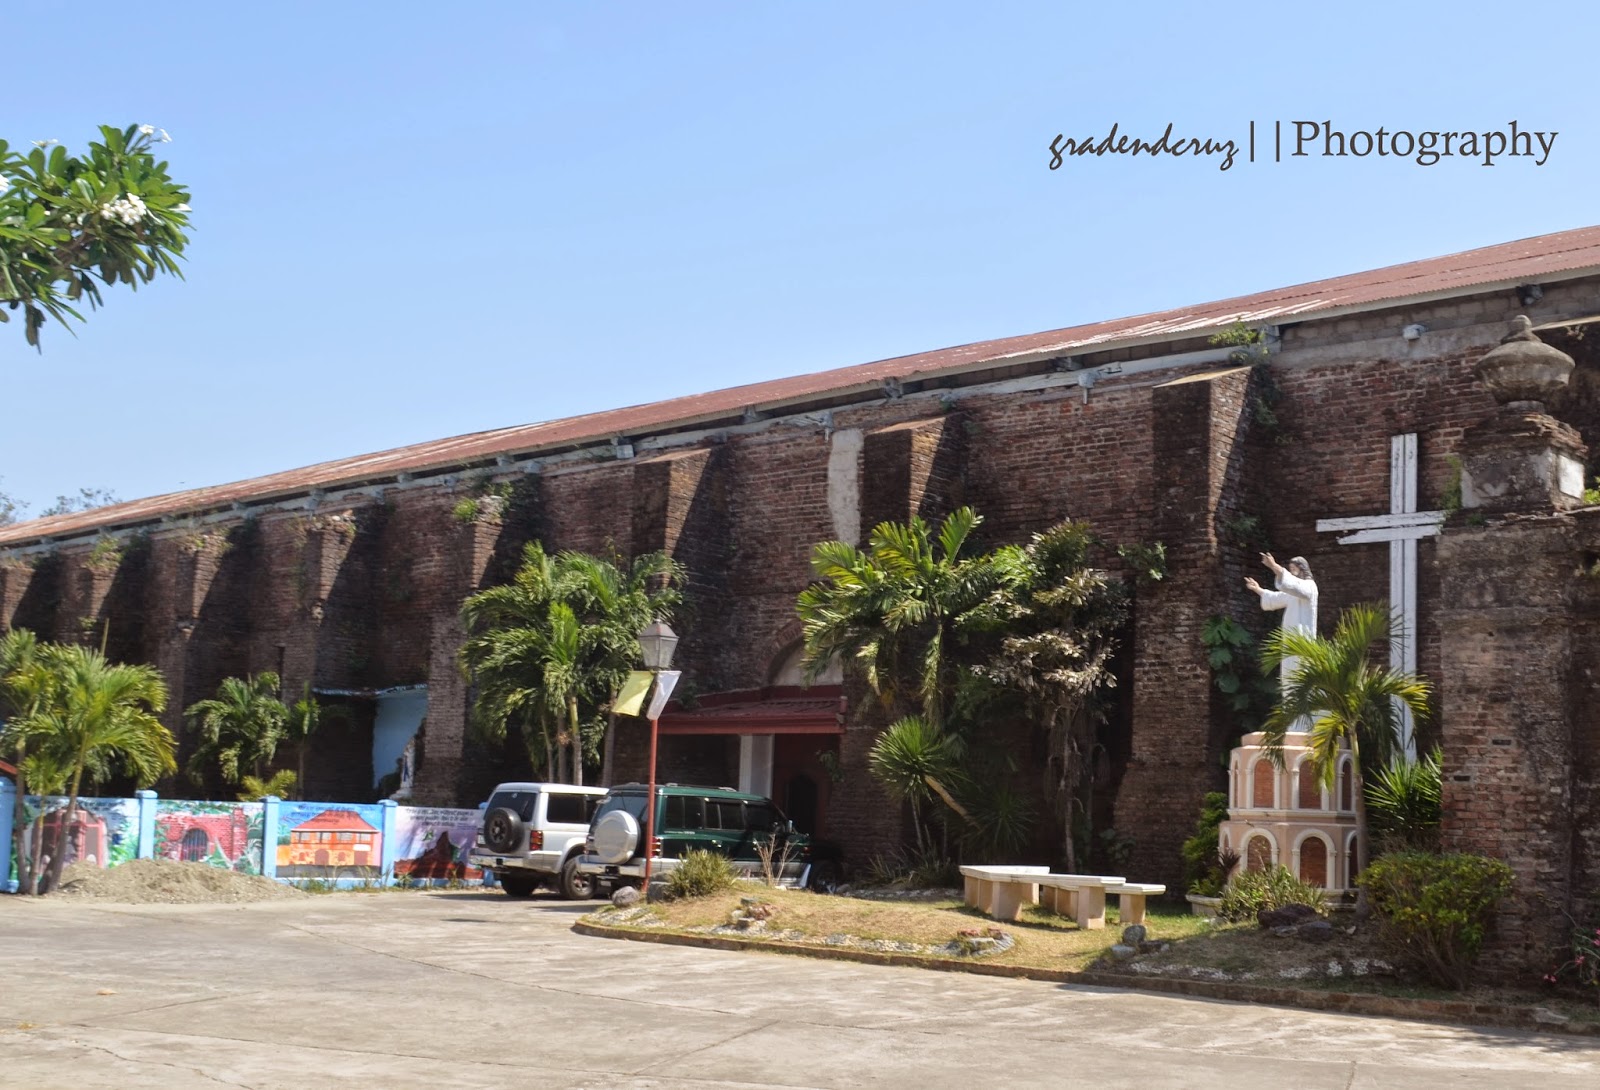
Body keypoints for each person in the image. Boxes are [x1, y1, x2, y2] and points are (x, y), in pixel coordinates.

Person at [1244, 552, 1319, 701]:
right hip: (1290, 642)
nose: (1291, 572)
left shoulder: (1309, 587)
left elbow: (1292, 585)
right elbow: (1276, 598)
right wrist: (1258, 589)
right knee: (1288, 676)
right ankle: (1291, 716)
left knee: (1302, 675)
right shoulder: (1294, 592)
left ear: (1302, 569)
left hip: (1303, 641)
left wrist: (1274, 566)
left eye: (1294, 569)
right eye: (1289, 569)